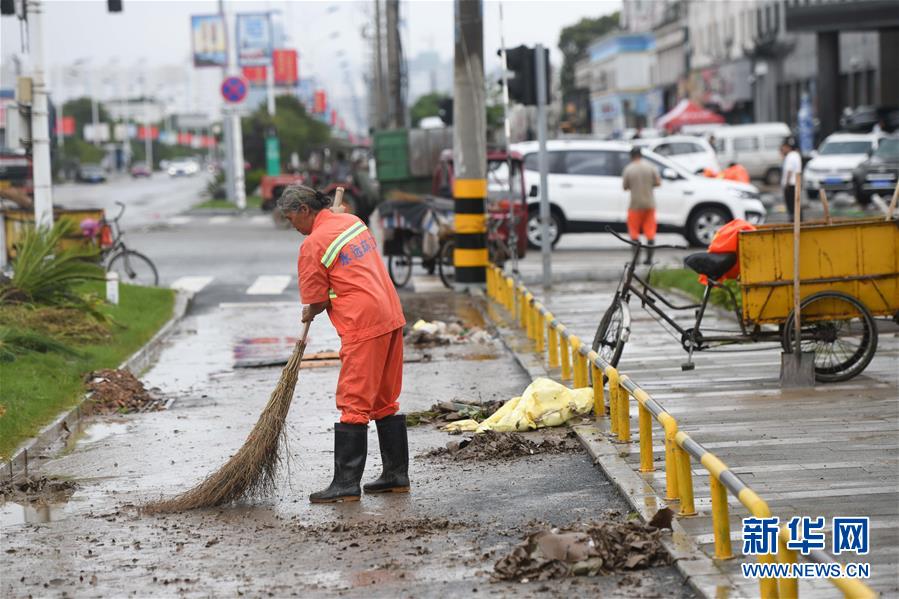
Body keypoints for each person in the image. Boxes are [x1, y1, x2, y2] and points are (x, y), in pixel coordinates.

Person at [278, 185, 409, 504]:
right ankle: (396, 476)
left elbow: (318, 300)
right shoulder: (353, 222)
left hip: (363, 323)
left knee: (354, 400)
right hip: (390, 313)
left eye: (291, 218)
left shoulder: (312, 245)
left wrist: (310, 310)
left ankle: (346, 484)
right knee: (384, 398)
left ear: (304, 210)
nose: (292, 225)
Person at [622, 146, 661, 264]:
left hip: (634, 205)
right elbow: (658, 182)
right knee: (650, 232)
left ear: (631, 156)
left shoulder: (629, 169)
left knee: (634, 232)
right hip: (649, 204)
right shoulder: (650, 167)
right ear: (641, 155)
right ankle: (649, 259)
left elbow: (625, 187)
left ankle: (636, 260)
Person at [780, 138, 803, 220]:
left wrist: (787, 184)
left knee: (791, 206)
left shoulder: (790, 156)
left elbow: (789, 171)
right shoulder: (796, 155)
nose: (782, 150)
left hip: (790, 185)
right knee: (797, 204)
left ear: (788, 147)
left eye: (783, 147)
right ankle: (799, 221)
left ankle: (793, 221)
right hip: (797, 183)